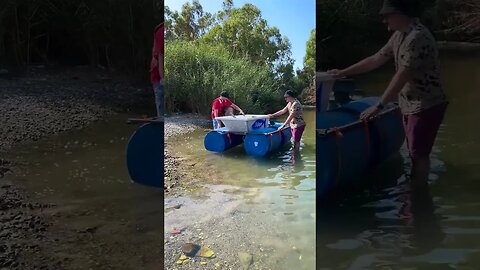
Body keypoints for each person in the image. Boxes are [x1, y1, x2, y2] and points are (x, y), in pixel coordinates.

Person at [327, 0, 448, 188]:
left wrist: (379, 105)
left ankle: (418, 196)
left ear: (400, 14)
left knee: (419, 154)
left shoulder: (417, 37)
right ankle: (415, 190)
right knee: (414, 151)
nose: (384, 21)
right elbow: (376, 59)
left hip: (426, 104)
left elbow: (402, 75)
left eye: (386, 16)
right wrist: (344, 72)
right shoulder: (399, 35)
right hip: (409, 103)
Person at [150, 20, 164, 117]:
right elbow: (161, 56)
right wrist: (162, 77)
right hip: (158, 77)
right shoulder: (162, 30)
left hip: (160, 74)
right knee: (161, 112)